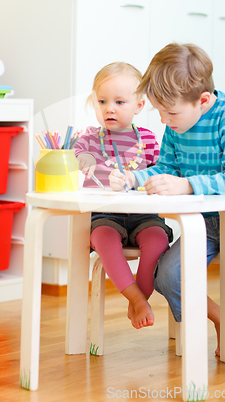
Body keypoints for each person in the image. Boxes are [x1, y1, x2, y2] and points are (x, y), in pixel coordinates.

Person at [109, 43, 225, 384]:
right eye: (160, 114)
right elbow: (166, 166)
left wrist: (187, 186)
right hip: (206, 221)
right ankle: (221, 320)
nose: (165, 122)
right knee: (168, 274)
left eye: (171, 114)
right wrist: (135, 177)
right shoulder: (177, 124)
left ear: (204, 101)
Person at [74, 61, 173, 329]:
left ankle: (141, 298)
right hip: (105, 216)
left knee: (158, 239)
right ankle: (136, 298)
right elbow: (77, 152)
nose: (109, 108)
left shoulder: (149, 140)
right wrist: (83, 158)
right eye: (102, 101)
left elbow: (162, 170)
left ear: (139, 106)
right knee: (103, 238)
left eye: (119, 102)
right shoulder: (91, 138)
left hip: (144, 215)